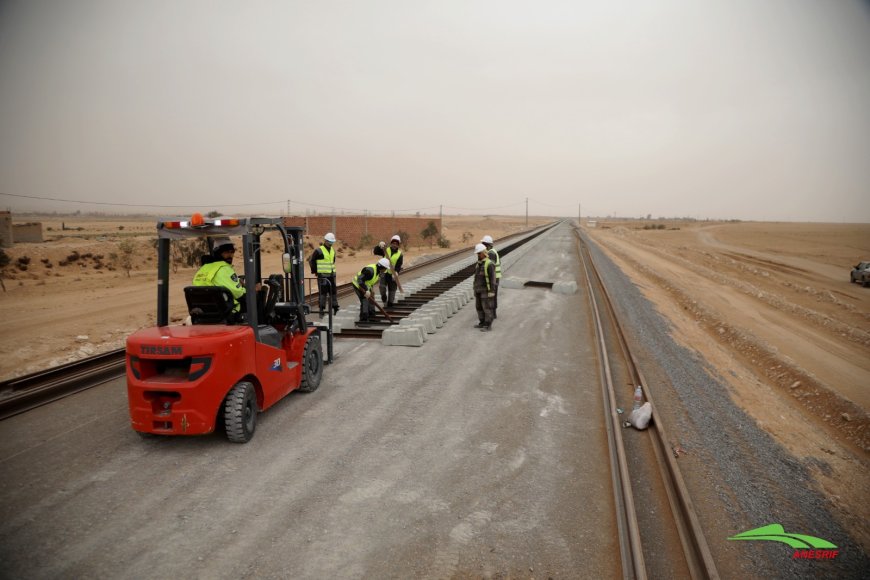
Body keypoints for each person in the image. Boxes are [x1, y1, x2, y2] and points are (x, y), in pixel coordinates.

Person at [192, 237, 248, 316]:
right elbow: (238, 293)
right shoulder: (224, 268)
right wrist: (250, 289)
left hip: (205, 312)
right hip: (228, 312)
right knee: (253, 298)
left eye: (232, 252)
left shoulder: (203, 269)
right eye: (226, 252)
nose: (230, 255)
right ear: (218, 253)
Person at [308, 232, 339, 316]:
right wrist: (315, 271)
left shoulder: (332, 250)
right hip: (323, 276)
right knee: (323, 293)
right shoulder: (319, 250)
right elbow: (311, 261)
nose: (331, 243)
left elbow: (332, 261)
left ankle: (335, 307)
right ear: (325, 241)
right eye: (330, 241)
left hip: (332, 275)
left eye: (332, 242)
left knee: (333, 292)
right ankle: (321, 310)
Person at [352, 258, 391, 323]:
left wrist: (371, 290)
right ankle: (363, 319)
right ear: (382, 267)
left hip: (365, 285)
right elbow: (359, 280)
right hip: (358, 285)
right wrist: (366, 290)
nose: (386, 270)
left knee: (371, 299)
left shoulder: (378, 271)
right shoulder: (370, 271)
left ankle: (372, 317)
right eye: (385, 268)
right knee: (365, 300)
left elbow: (370, 281)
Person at [473, 243, 496, 331]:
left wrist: (491, 291)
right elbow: (476, 278)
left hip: (486, 291)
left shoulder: (489, 264)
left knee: (487, 308)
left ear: (484, 252)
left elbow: (492, 279)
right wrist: (475, 289)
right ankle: (482, 322)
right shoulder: (478, 264)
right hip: (478, 290)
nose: (478, 255)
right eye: (477, 254)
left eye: (479, 253)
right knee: (479, 307)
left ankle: (487, 325)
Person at [380, 235, 404, 308]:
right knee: (382, 287)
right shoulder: (385, 250)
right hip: (384, 273)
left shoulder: (400, 254)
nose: (394, 245)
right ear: (391, 243)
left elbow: (399, 265)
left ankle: (390, 303)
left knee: (392, 294)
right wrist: (379, 245)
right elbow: (376, 251)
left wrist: (396, 272)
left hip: (392, 275)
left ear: (398, 245)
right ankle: (384, 300)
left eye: (396, 244)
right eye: (393, 243)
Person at [480, 235, 501, 318]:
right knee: (493, 295)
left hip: (493, 278)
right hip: (495, 277)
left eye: (484, 244)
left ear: (487, 245)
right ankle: (493, 313)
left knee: (491, 295)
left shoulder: (491, 253)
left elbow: (491, 268)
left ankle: (492, 314)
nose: (483, 246)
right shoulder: (492, 252)